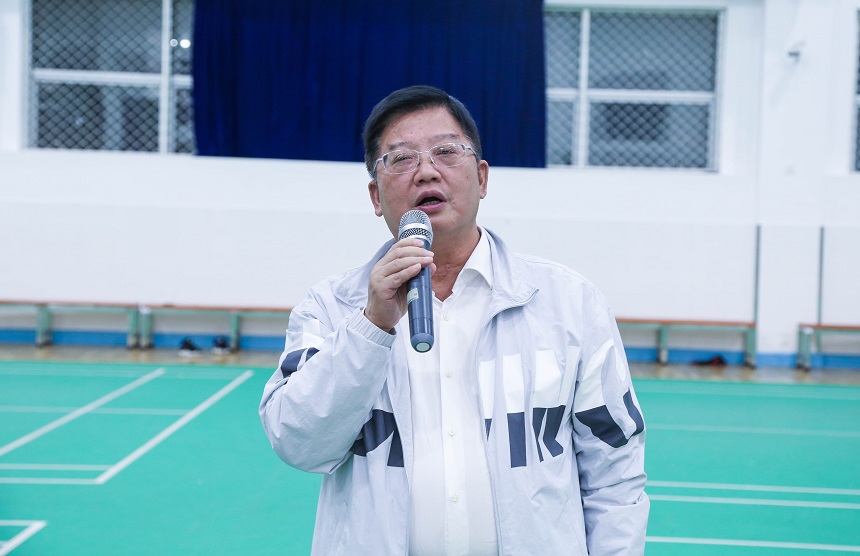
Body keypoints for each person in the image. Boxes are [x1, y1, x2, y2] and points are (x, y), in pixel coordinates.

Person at [260, 85, 649, 555]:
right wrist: (371, 326)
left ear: (481, 178)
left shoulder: (569, 303)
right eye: (401, 159)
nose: (426, 171)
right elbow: (298, 443)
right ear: (376, 196)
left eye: (446, 152)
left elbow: (614, 472)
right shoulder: (330, 307)